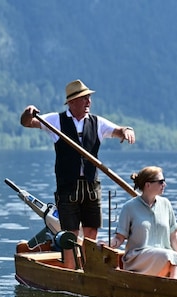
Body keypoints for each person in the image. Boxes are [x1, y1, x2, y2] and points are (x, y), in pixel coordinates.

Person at [20, 79, 136, 268]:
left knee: (91, 231)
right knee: (70, 233)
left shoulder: (97, 122)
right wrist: (28, 111)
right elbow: (27, 123)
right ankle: (72, 269)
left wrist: (127, 131)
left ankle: (89, 269)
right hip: (68, 187)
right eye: (84, 98)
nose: (89, 102)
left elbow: (118, 130)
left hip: (91, 187)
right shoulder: (55, 120)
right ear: (72, 102)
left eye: (89, 98)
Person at [110, 166, 177, 279]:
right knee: (169, 256)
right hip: (138, 258)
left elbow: (173, 235)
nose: (164, 184)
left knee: (176, 260)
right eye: (161, 182)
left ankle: (176, 288)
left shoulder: (166, 204)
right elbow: (119, 237)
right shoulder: (129, 207)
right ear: (148, 185)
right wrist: (108, 244)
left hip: (165, 256)